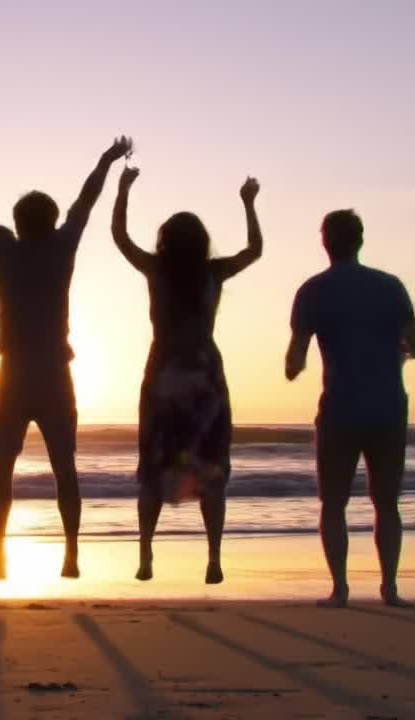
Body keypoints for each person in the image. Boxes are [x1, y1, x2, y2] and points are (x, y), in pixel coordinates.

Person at [0, 135, 132, 580]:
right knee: (64, 467)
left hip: (12, 372)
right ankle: (70, 554)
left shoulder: (3, 248)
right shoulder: (61, 245)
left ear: (16, 222)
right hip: (54, 371)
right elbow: (85, 202)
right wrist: (106, 160)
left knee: (2, 468)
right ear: (51, 222)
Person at [112, 167, 263, 584]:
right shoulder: (213, 273)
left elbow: (120, 238)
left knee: (154, 467)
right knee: (210, 468)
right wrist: (249, 203)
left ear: (165, 241)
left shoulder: (156, 270)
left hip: (163, 375)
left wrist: (122, 189)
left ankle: (146, 553)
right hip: (204, 377)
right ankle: (213, 558)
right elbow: (255, 250)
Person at [286, 210, 415, 608]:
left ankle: (340, 588)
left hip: (339, 409)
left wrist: (293, 364)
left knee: (333, 503)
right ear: (360, 240)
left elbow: (294, 364)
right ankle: (390, 587)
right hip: (387, 406)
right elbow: (413, 346)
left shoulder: (312, 291)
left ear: (325, 243)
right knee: (386, 503)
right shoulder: (390, 286)